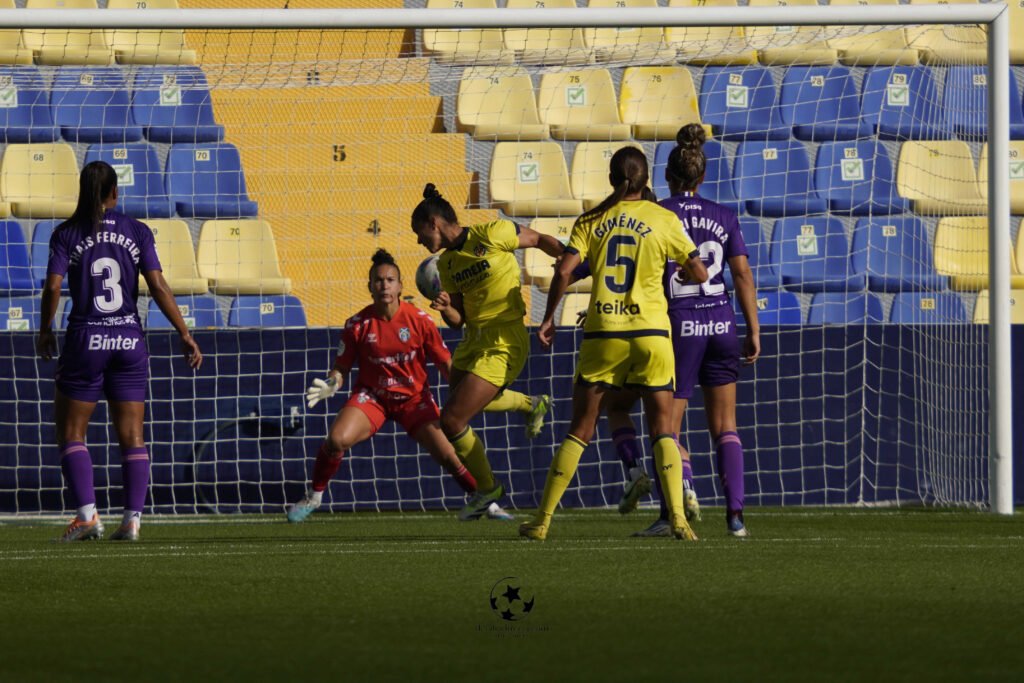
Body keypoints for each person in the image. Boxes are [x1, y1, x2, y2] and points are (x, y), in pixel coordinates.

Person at [519, 147, 708, 541]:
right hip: (652, 335)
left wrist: (549, 317)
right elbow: (700, 271)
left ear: (611, 178)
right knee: (663, 430)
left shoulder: (592, 219)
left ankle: (542, 521)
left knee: (581, 428)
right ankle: (678, 518)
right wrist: (679, 274)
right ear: (647, 179)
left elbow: (565, 271)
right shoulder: (664, 218)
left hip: (604, 332)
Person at [37, 160, 203, 543]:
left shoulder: (65, 234)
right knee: (132, 434)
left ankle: (87, 517)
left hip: (87, 338)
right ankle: (132, 521)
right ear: (114, 192)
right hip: (129, 338)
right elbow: (158, 285)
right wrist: (184, 332)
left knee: (71, 432)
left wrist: (45, 330)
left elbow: (53, 287)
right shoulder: (137, 230)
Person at [289, 249, 513, 522]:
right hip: (373, 398)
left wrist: (466, 393)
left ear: (400, 286)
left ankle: (488, 505)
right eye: (379, 280)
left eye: (390, 280)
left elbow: (446, 365)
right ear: (370, 286)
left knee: (451, 456)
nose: (384, 285)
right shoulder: (357, 325)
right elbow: (341, 369)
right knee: (336, 440)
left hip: (414, 399)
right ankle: (314, 496)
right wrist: (332, 382)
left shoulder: (420, 321)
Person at [625, 123, 760, 538]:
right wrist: (753, 329)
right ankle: (735, 518)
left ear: (667, 176)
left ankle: (675, 507)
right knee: (726, 425)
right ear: (702, 177)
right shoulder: (725, 215)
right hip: (722, 322)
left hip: (679, 325)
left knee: (668, 427)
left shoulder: (658, 214)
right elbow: (742, 275)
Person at [411, 184, 565, 519]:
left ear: (433, 223)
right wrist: (445, 308)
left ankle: (488, 488)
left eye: (419, 232)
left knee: (452, 419)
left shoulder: (492, 233)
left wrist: (568, 258)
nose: (419, 241)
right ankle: (532, 404)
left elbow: (538, 239)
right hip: (473, 340)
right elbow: (459, 320)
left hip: (503, 341)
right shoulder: (447, 264)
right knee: (460, 406)